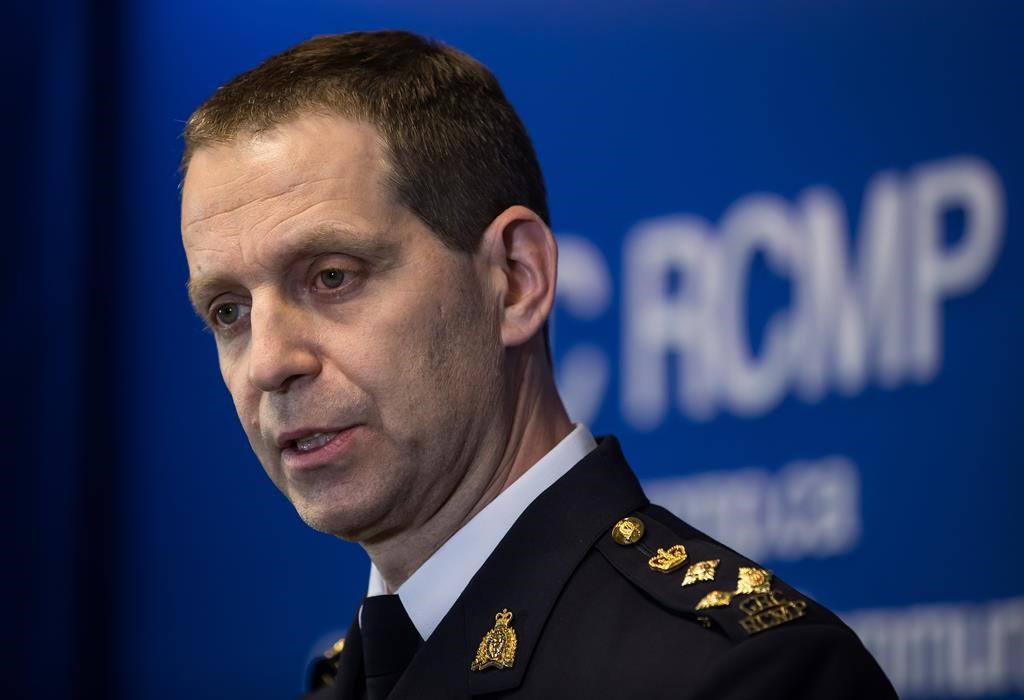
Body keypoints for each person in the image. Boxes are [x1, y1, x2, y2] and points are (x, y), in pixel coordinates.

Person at [179, 30, 897, 699]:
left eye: (332, 277)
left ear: (516, 280)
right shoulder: (344, 678)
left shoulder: (748, 677)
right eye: (228, 312)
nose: (268, 363)